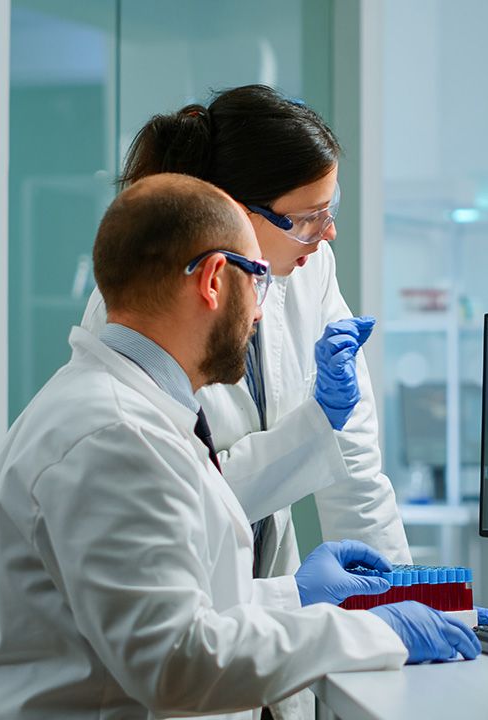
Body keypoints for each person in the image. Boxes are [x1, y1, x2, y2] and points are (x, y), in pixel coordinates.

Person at [0, 174, 481, 720]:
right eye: (258, 282)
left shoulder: (129, 412)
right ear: (212, 281)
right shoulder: (115, 438)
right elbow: (175, 662)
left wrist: (294, 596)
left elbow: (168, 608)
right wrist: (370, 631)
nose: (259, 314)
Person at [81, 85, 404, 584]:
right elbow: (182, 489)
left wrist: (398, 592)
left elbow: (354, 463)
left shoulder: (309, 271)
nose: (327, 234)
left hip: (254, 589)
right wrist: (315, 427)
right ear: (232, 211)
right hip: (188, 579)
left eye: (330, 208)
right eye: (305, 218)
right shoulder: (145, 307)